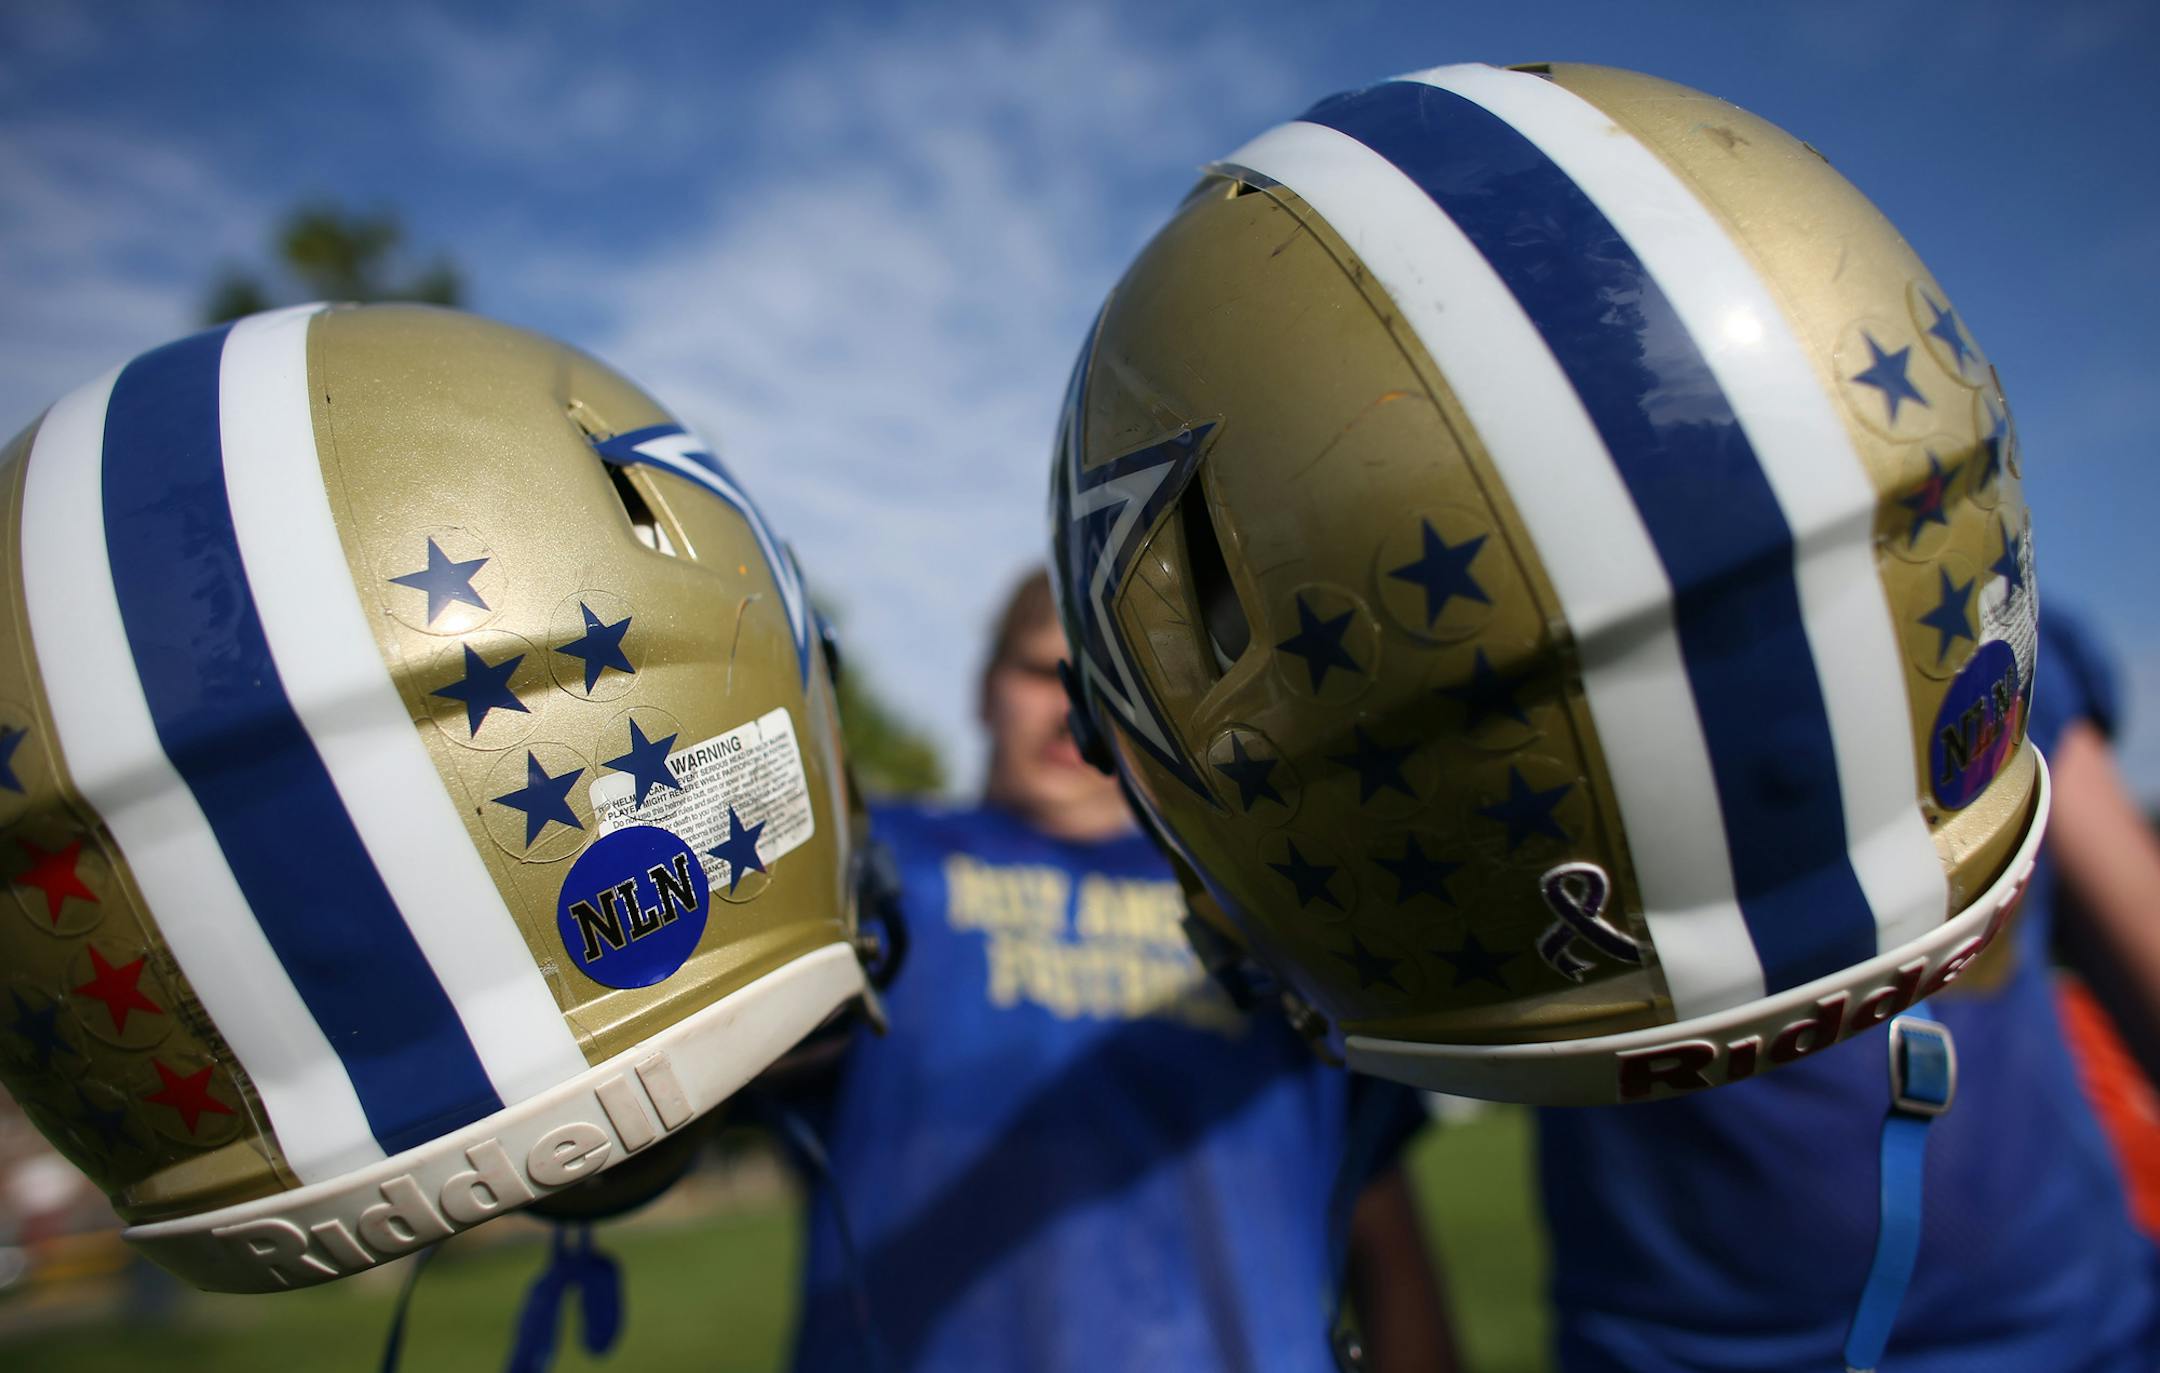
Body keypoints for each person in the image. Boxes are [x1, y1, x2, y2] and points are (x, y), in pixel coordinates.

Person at [787, 569, 1453, 1373]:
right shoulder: (871, 867)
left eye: (1106, 685)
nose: (1072, 711)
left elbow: (1384, 1226)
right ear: (982, 688)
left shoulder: (1273, 903)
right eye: (1041, 672)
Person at [1537, 606, 2160, 1372]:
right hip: (1681, 1344)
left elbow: (2143, 939)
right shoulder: (1535, 693)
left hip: (2073, 1328)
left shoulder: (1983, 615)